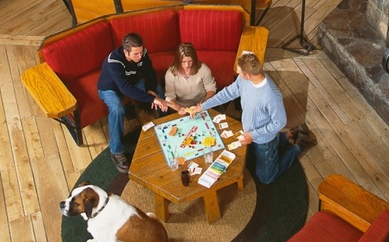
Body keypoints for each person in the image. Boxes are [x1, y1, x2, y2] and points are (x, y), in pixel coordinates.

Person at [187, 52, 315, 184]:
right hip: (250, 132)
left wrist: (253, 135)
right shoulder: (244, 80)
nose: (237, 73)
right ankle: (289, 134)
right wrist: (202, 107)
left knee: (266, 178)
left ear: (248, 75)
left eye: (239, 72)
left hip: (263, 139)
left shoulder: (271, 95)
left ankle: (299, 145)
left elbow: (279, 122)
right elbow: (228, 93)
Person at [97, 32, 170, 172]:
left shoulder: (142, 53)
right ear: (126, 52)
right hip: (110, 89)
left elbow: (149, 72)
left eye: (141, 52)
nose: (140, 56)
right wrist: (152, 99)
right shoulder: (113, 62)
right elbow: (125, 89)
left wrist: (150, 90)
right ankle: (116, 151)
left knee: (159, 91)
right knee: (117, 109)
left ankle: (166, 125)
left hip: (133, 82)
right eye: (136, 54)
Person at [163, 43, 216, 114]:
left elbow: (211, 89)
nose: (187, 65)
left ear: (194, 59)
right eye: (183, 62)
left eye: (190, 61)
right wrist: (178, 108)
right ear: (178, 61)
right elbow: (170, 96)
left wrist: (203, 103)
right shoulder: (170, 73)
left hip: (202, 104)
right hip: (181, 106)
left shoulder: (204, 69)